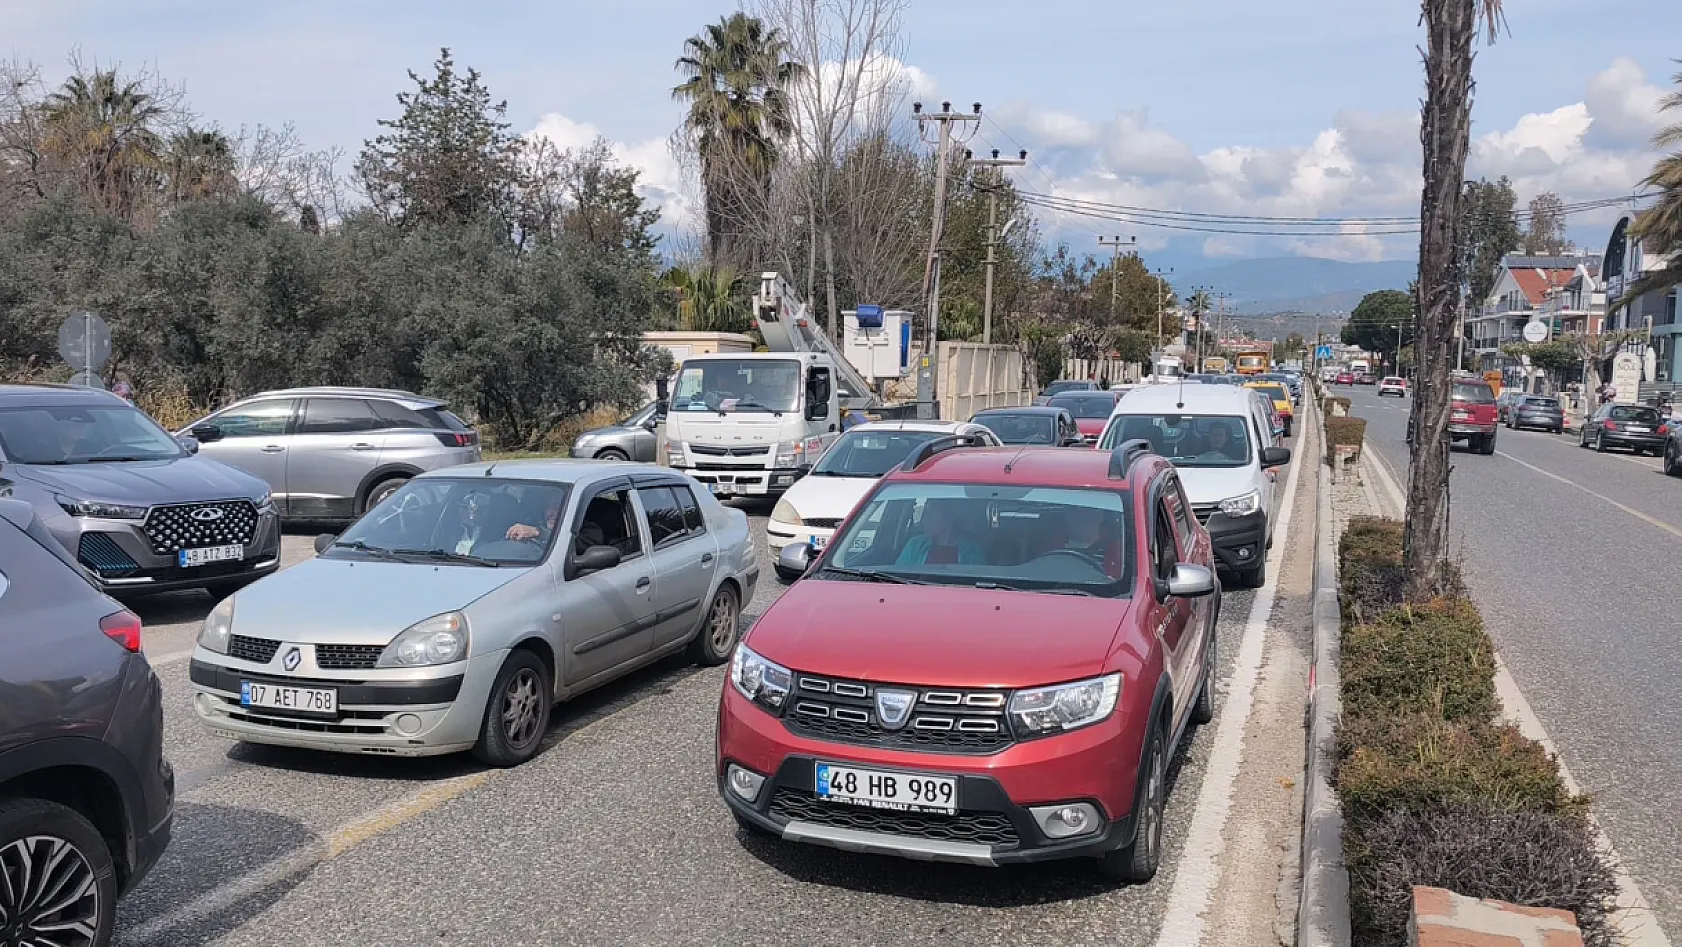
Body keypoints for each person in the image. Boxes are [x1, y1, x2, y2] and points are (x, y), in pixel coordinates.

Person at [895, 499, 986, 566]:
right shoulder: (915, 545)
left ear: (949, 519)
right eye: (924, 514)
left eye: (930, 514)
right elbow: (899, 575)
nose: (923, 520)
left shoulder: (972, 550)